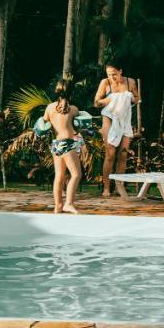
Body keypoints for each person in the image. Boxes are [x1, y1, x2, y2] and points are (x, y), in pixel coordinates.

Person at [94, 63, 140, 197]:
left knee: (123, 155)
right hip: (109, 118)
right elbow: (96, 102)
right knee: (110, 154)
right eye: (109, 74)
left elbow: (137, 98)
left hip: (124, 119)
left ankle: (119, 187)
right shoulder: (105, 82)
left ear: (121, 71)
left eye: (114, 73)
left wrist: (130, 98)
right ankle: (106, 188)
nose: (112, 77)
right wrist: (108, 100)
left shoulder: (130, 82)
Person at [44, 78, 84, 214]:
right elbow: (79, 125)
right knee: (76, 174)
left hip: (56, 144)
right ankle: (69, 203)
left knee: (59, 176)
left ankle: (58, 206)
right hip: (67, 143)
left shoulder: (49, 108)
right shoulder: (73, 109)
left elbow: (44, 123)